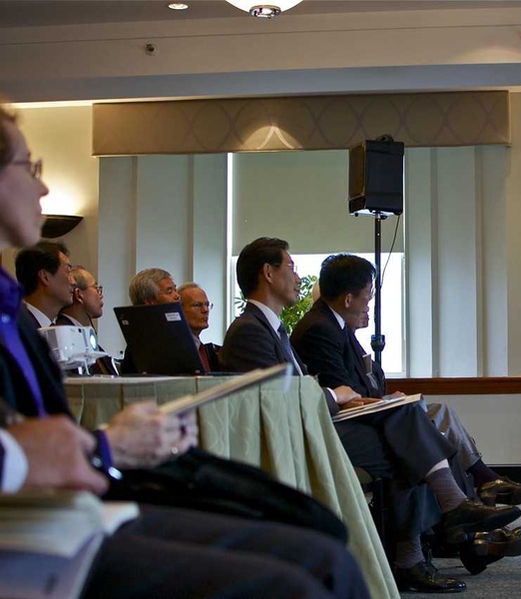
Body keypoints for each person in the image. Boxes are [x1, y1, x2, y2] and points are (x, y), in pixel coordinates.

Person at [0, 103, 370, 599]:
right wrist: (101, 446)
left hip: (72, 506)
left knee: (322, 537)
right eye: (30, 167)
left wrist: (107, 444)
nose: (43, 188)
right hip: (38, 535)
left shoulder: (6, 306)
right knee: (304, 575)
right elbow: (31, 447)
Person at [220, 237, 521, 593]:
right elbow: (275, 401)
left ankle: (429, 542)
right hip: (296, 436)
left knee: (407, 432)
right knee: (407, 440)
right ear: (267, 273)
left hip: (315, 424)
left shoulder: (273, 328)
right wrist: (336, 395)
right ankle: (440, 530)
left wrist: (352, 398)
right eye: (292, 267)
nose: (299, 278)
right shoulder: (249, 332)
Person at [295, 256, 521, 574]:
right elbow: (341, 396)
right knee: (416, 442)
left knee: (427, 426)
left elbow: (353, 390)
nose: (369, 305)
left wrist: (386, 400)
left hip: (354, 419)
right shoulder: (321, 330)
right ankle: (467, 523)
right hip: (339, 427)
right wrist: (387, 403)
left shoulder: (336, 327)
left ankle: (471, 524)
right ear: (348, 298)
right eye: (368, 297)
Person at [53, 265, 118, 375]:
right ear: (79, 295)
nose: (100, 295)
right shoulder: (63, 338)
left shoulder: (85, 335)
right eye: (96, 288)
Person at [14, 240, 74, 329]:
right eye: (68, 271)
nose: (73, 282)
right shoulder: (15, 329)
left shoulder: (61, 331)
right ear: (45, 277)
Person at [178, 282, 221, 372]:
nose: (205, 310)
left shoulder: (209, 352)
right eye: (197, 305)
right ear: (179, 309)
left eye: (207, 305)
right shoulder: (176, 350)